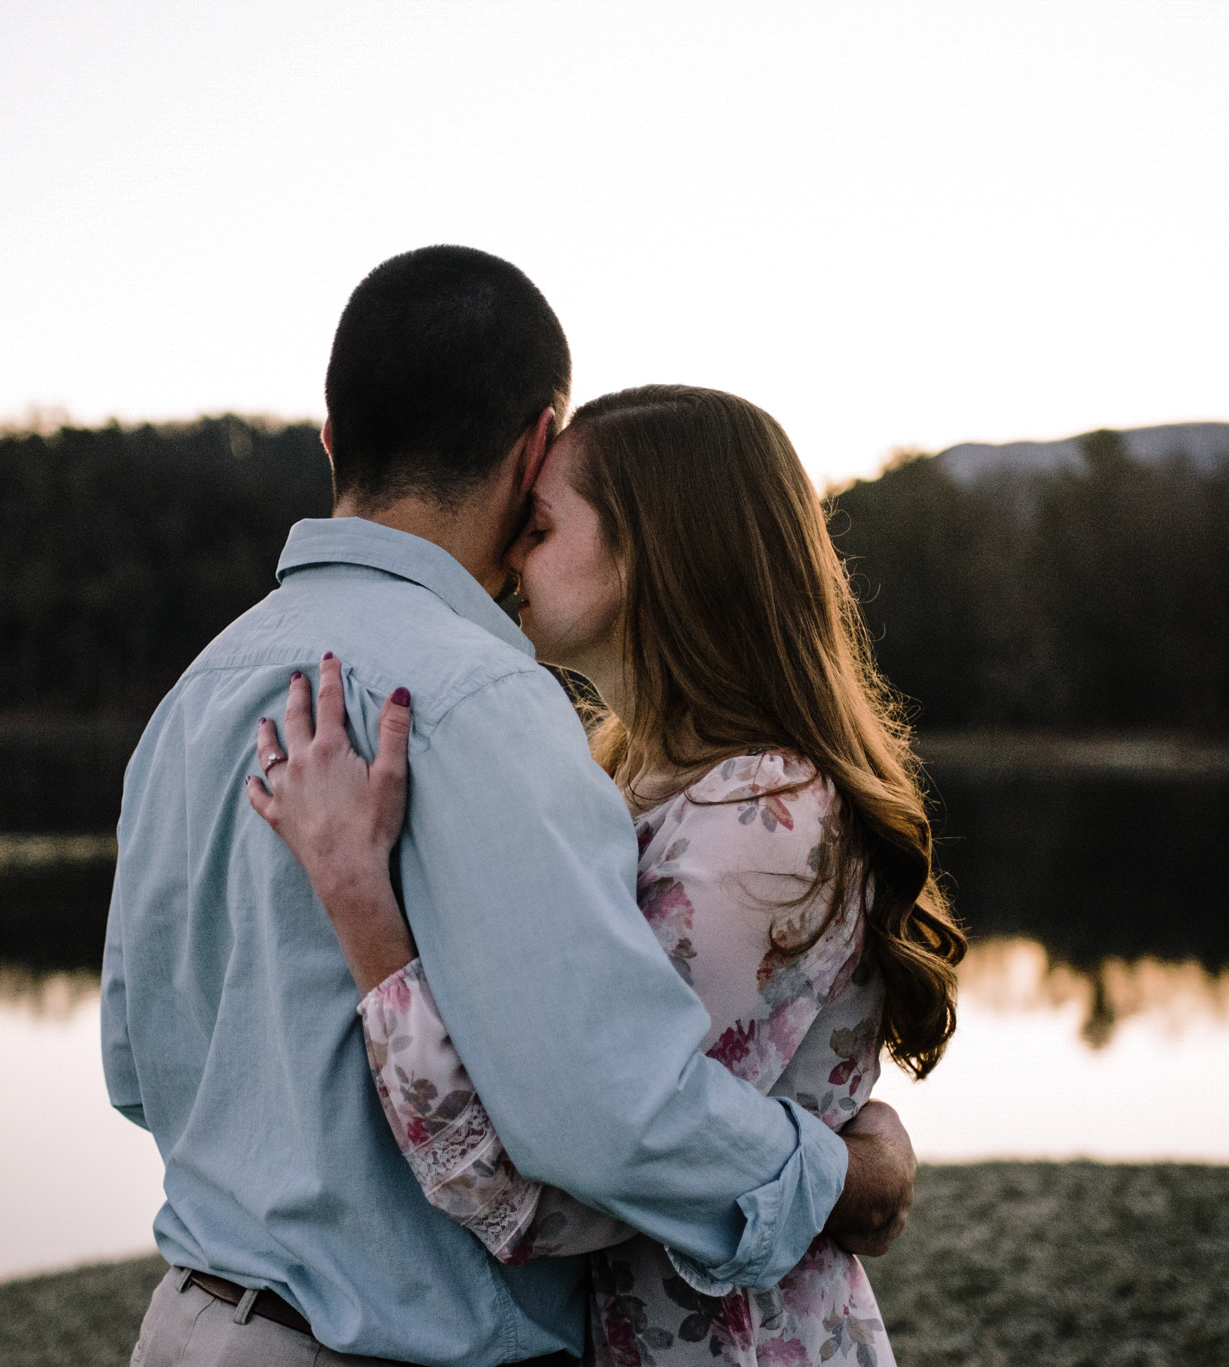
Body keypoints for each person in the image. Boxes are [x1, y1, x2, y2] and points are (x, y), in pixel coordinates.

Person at [101, 248, 920, 1367]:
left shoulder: (194, 696)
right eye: (532, 514)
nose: (529, 548)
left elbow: (133, 1071)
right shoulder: (482, 699)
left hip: (188, 1327)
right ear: (534, 442)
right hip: (384, 1345)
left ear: (333, 438)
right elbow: (604, 1126)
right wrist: (843, 1172)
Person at [249, 386, 965, 1367]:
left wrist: (358, 899)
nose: (506, 556)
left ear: (651, 552)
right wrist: (841, 1168)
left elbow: (541, 1190)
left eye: (537, 527)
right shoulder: (623, 781)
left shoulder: (763, 816)